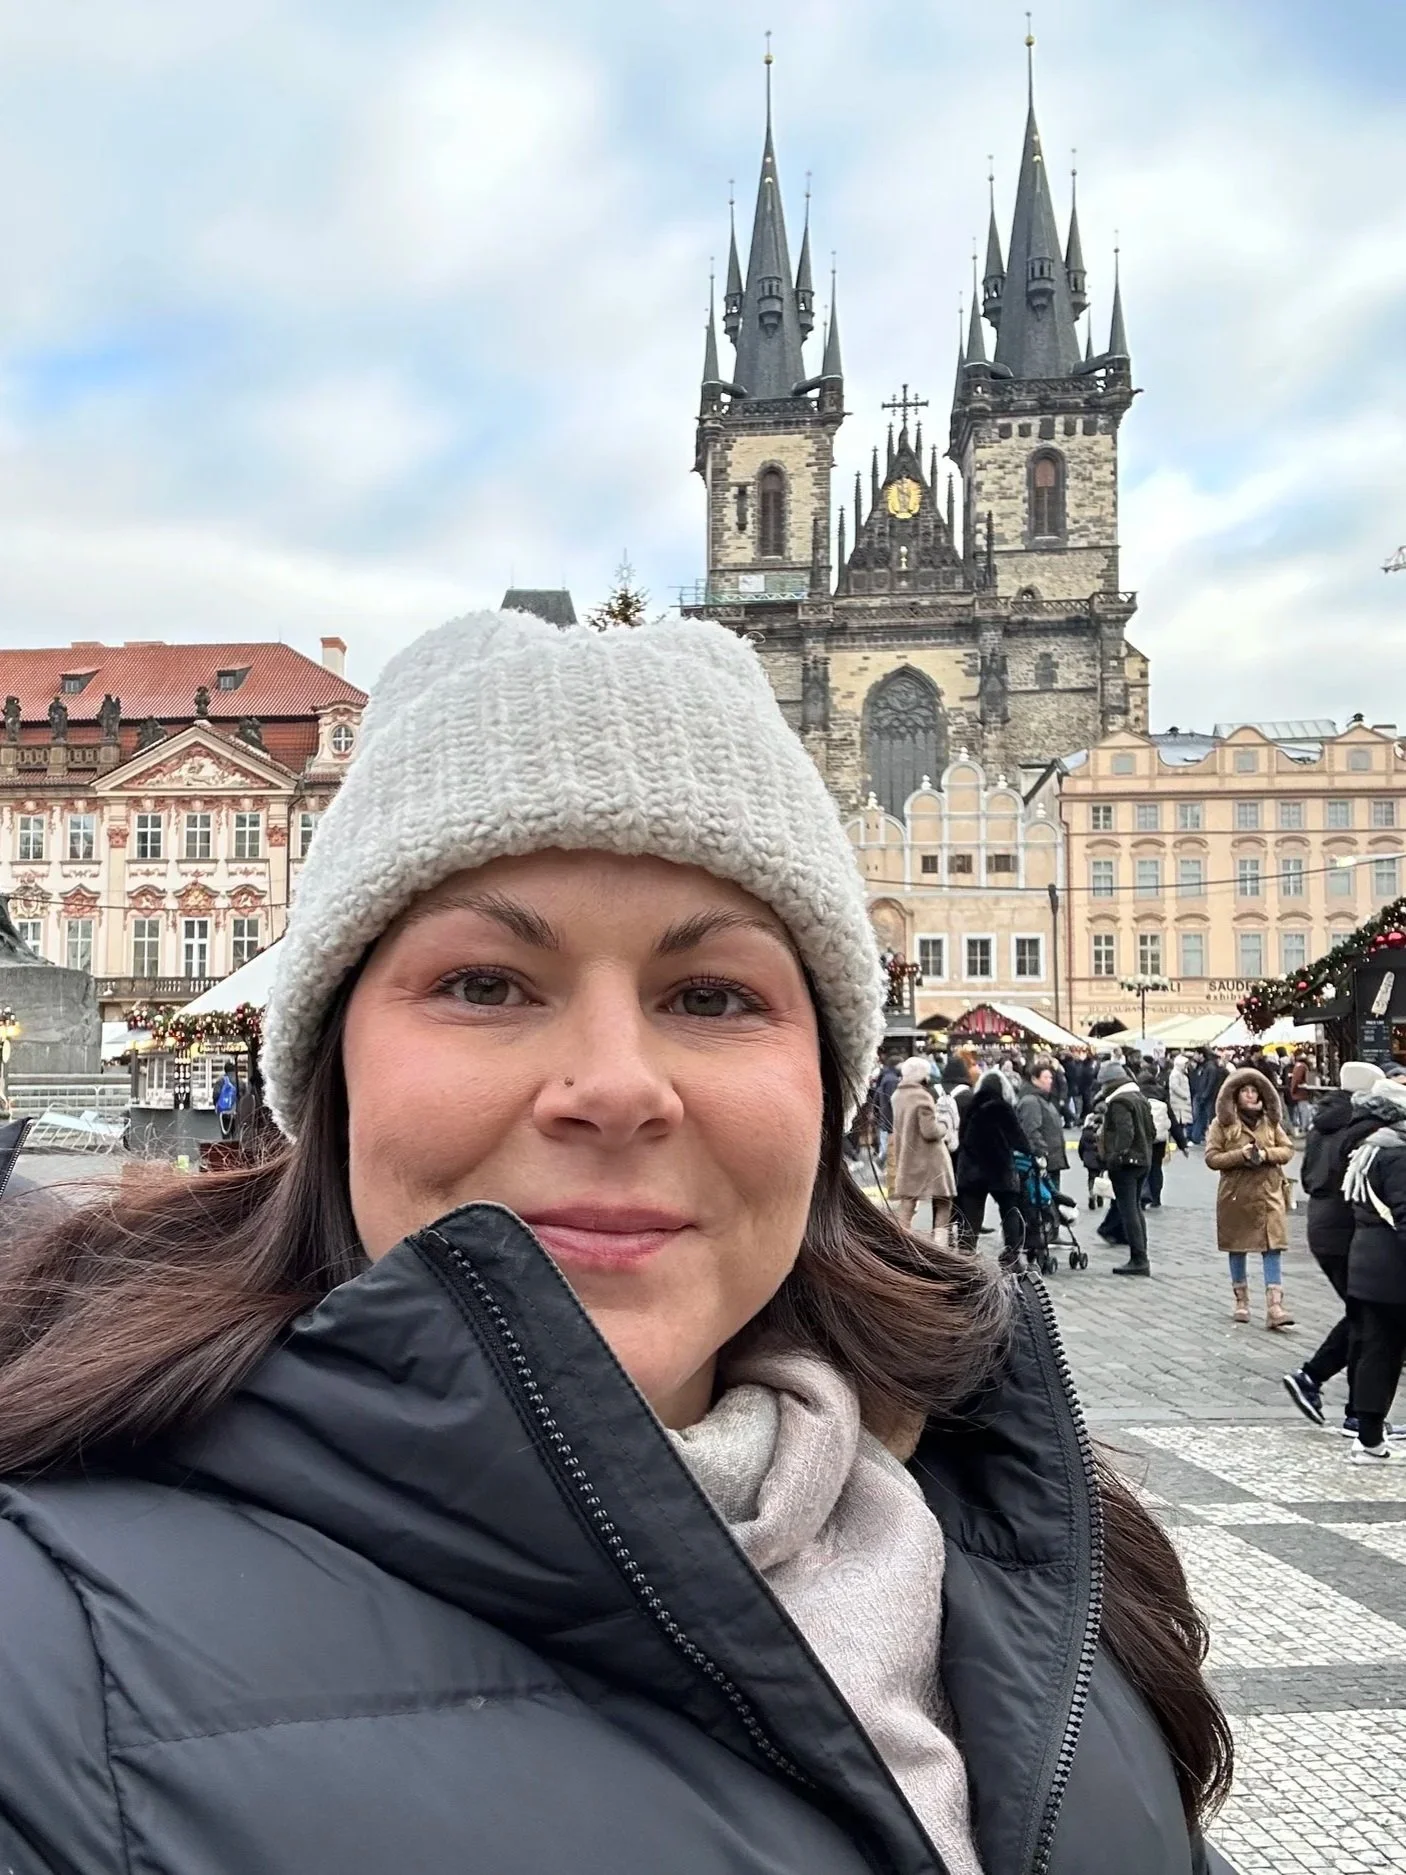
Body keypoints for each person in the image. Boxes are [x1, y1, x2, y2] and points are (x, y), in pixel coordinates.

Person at [0, 609, 1235, 1875]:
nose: (613, 1087)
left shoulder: (1030, 1547)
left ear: (826, 1087)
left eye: (710, 997)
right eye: (483, 984)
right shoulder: (42, 1658)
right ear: (332, 1078)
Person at [1284, 1062, 1385, 1434]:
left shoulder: (1323, 1123)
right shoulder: (1360, 1126)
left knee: (1363, 1315)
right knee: (1368, 1319)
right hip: (1347, 1229)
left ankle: (1330, 1391)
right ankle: (1340, 1398)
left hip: (1322, 1225)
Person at [1343, 1078, 1406, 1462]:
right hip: (1392, 1271)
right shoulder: (1397, 1153)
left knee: (1376, 1351)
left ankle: (1368, 1436)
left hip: (1367, 1263)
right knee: (1382, 1353)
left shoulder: (1371, 1148)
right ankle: (1369, 1437)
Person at [1204, 1068, 1295, 1329]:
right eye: (1245, 1091)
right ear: (1235, 1095)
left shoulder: (1270, 1122)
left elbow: (1287, 1150)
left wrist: (1266, 1155)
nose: (1251, 1095)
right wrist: (1240, 1155)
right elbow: (1212, 1158)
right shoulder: (1222, 1125)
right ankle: (1241, 1301)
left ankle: (1275, 1306)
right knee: (1237, 1246)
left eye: (1255, 1091)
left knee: (1273, 1246)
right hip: (1236, 1195)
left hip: (1268, 1193)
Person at [954, 1070, 1029, 1263]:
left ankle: (965, 1256)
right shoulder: (1003, 1108)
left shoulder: (969, 1106)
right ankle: (1012, 1255)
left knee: (971, 1216)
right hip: (1000, 1168)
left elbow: (962, 1137)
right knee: (1010, 1210)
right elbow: (1019, 1139)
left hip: (971, 1169)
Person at [1097, 1061, 1157, 1276]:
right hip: (1143, 1160)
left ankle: (1138, 1258)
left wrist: (1115, 1156)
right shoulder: (1139, 1097)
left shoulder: (1119, 1101)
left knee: (1128, 1210)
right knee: (1136, 1209)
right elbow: (1151, 1130)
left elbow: (1125, 1132)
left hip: (1127, 1164)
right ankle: (1141, 1255)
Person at [889, 1055, 957, 1241]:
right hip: (930, 1159)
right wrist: (944, 1122)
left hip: (907, 1155)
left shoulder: (897, 1096)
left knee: (908, 1202)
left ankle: (901, 1242)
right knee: (944, 1201)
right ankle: (939, 1244)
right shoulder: (922, 1097)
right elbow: (930, 1131)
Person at [1015, 1057, 1068, 1194]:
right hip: (1044, 1161)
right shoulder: (1031, 1101)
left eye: (1051, 1077)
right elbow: (1031, 1130)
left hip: (1052, 1160)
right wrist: (1043, 1152)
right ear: (1034, 1079)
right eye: (1046, 1077)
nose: (1050, 1081)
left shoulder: (1044, 1099)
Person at [1138, 1070, 1172, 1209]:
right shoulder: (1162, 1093)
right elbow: (1171, 1117)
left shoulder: (1139, 1094)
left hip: (1144, 1135)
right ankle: (1156, 1198)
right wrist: (1181, 1142)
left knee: (1144, 1166)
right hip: (1160, 1137)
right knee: (1157, 1167)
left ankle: (1144, 1195)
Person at [1167, 1053, 1193, 1154]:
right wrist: (1184, 1095)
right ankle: (1174, 1144)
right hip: (1178, 1102)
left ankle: (1179, 1142)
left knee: (1181, 1123)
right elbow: (1174, 1086)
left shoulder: (1181, 1073)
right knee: (1176, 1123)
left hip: (1182, 1103)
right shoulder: (1175, 1074)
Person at [214, 1058, 240, 1138]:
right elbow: (244, 1096)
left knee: (225, 1135)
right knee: (236, 1134)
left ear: (225, 1070)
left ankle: (227, 1149)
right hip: (236, 1111)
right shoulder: (240, 1081)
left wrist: (217, 1106)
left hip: (224, 1112)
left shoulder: (220, 1081)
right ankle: (235, 1149)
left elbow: (216, 1095)